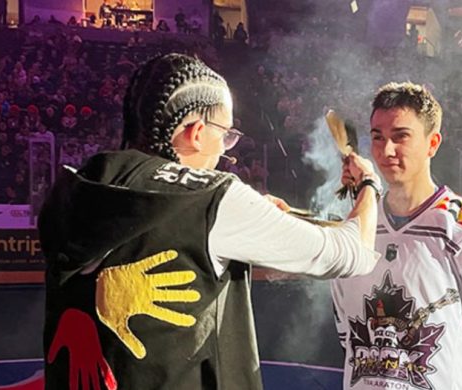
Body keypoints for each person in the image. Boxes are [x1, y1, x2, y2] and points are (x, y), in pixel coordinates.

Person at [38, 53, 381, 390]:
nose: (226, 151)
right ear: (197, 132)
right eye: (226, 134)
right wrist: (369, 184)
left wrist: (253, 216)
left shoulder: (74, 190)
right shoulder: (215, 199)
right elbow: (351, 252)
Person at [331, 82, 462, 390]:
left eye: (401, 136)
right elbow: (346, 330)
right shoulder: (358, 226)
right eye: (378, 137)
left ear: (432, 143)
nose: (386, 150)